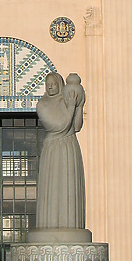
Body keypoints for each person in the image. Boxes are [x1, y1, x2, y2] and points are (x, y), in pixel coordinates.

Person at [35, 71, 86, 230]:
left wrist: (78, 106)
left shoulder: (65, 100)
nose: (50, 87)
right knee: (53, 187)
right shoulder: (42, 105)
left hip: (69, 147)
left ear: (60, 84)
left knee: (69, 187)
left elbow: (76, 126)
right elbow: (60, 126)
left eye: (53, 84)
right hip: (53, 148)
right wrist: (71, 106)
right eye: (48, 84)